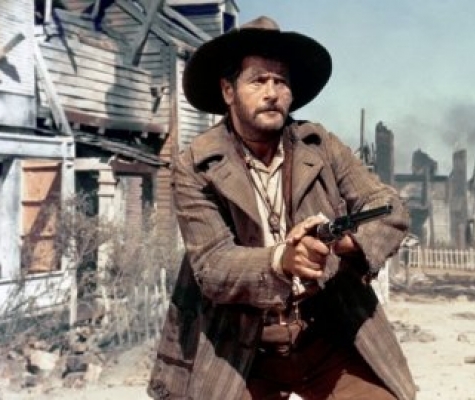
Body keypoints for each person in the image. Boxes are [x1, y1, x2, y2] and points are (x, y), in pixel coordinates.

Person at [148, 16, 416, 400]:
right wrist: (281, 261)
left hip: (326, 334)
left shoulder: (319, 145)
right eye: (258, 81)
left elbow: (388, 207)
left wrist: (345, 244)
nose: (272, 93)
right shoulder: (197, 164)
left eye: (281, 81)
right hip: (240, 348)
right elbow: (212, 264)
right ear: (228, 91)